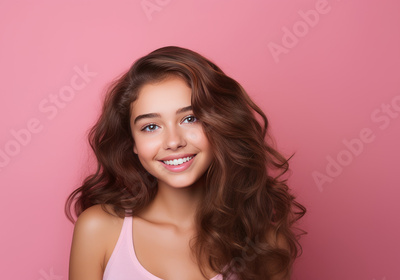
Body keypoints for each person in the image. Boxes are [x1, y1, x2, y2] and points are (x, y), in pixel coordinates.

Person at [65, 46, 306, 280]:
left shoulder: (266, 243)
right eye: (151, 127)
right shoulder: (98, 229)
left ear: (219, 124)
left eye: (190, 118)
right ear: (133, 143)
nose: (173, 141)